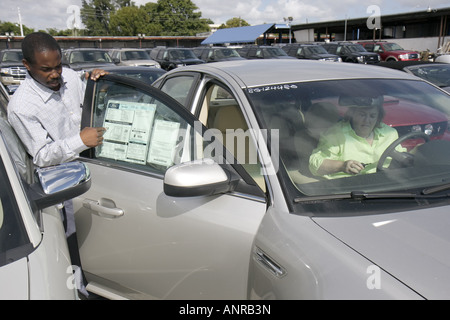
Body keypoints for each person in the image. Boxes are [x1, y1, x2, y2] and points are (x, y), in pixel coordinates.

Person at [7, 32, 108, 298]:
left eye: (58, 66)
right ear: (27, 65)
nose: (55, 74)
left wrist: (97, 83)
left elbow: (92, 104)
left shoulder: (72, 78)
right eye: (46, 69)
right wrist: (80, 140)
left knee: (101, 245)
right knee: (74, 254)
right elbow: (41, 155)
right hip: (67, 189)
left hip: (104, 170)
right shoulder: (21, 106)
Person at [309, 95, 404, 179]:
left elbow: (401, 158)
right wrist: (342, 166)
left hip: (384, 186)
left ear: (378, 117)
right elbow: (315, 165)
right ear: (352, 114)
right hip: (347, 190)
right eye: (362, 115)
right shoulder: (334, 134)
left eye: (372, 116)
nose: (367, 120)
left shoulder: (390, 133)